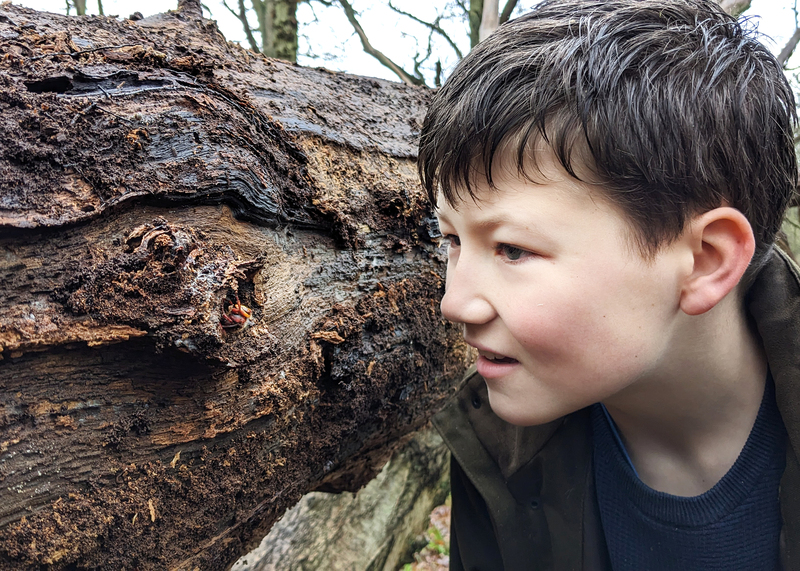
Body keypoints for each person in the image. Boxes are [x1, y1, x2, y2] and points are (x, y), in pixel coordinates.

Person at [417, 0, 800, 568]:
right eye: (449, 238)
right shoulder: (496, 447)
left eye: (513, 249)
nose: (455, 303)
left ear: (704, 261)